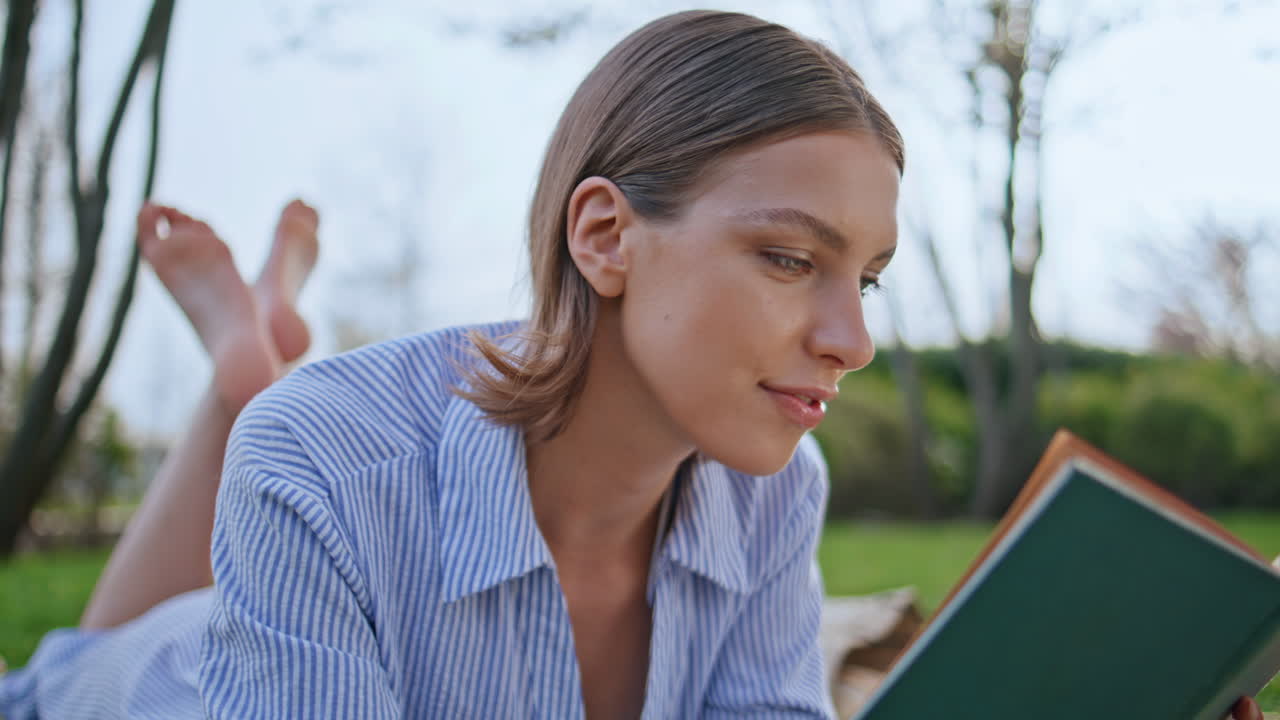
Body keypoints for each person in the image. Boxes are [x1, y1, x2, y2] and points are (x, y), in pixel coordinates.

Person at [0, 10, 1262, 720]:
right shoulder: (332, 458)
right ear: (603, 235)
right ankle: (242, 384)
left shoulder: (774, 488)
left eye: (862, 278)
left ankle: (238, 367)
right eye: (786, 258)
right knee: (72, 674)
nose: (851, 339)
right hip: (134, 695)